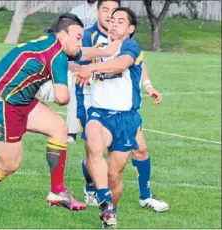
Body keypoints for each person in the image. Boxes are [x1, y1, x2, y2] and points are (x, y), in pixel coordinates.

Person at [0, 13, 121, 221]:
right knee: (11, 163)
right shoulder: (57, 55)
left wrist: (106, 51)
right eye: (77, 37)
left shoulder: (52, 44)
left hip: (18, 100)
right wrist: (69, 77)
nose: (80, 42)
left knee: (59, 127)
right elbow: (62, 98)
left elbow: (79, 53)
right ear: (63, 34)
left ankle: (57, 191)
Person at [75, 7, 167, 228]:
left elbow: (122, 64)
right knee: (95, 148)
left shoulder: (131, 47)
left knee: (114, 175)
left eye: (120, 21)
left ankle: (110, 212)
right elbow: (77, 61)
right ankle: (104, 200)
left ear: (131, 28)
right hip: (99, 113)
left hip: (126, 118)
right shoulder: (98, 47)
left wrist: (147, 85)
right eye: (112, 20)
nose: (114, 23)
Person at [67, 0, 98, 143]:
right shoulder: (77, 10)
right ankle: (71, 131)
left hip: (98, 51)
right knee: (74, 90)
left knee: (96, 90)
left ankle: (94, 128)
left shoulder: (103, 9)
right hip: (79, 52)